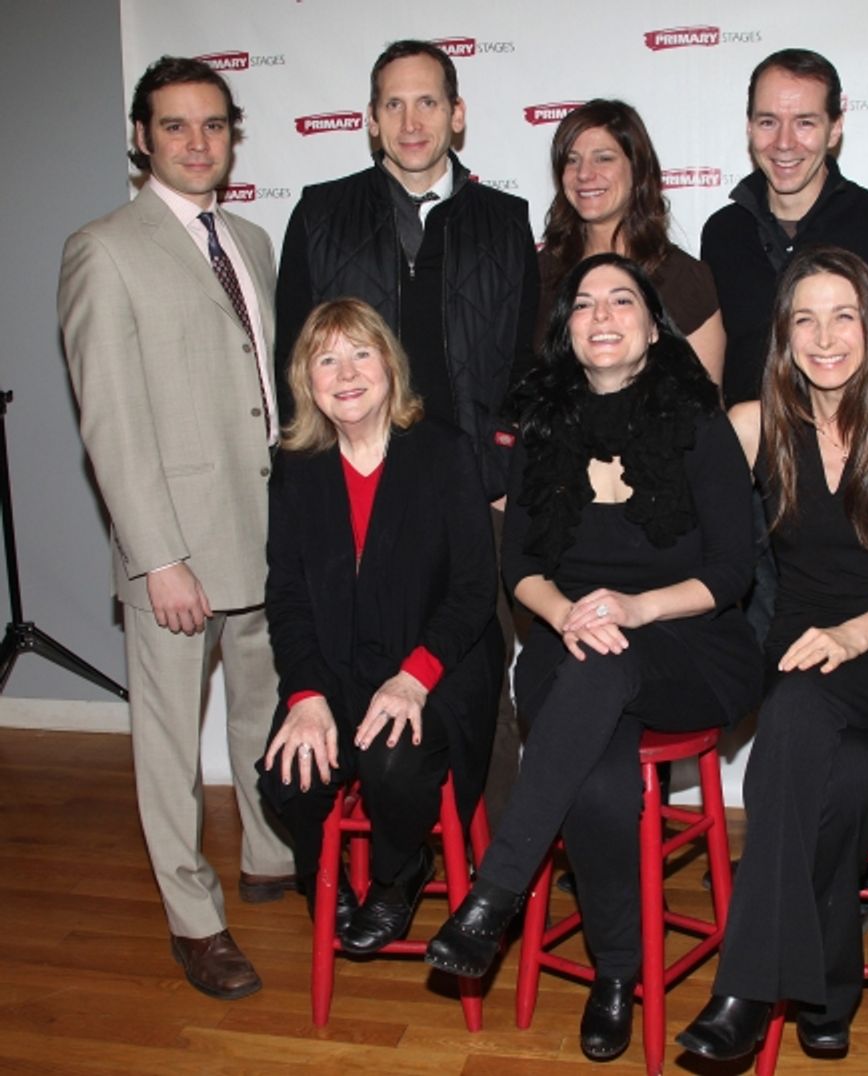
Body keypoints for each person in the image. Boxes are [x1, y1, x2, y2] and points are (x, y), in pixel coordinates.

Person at [425, 253, 761, 1062]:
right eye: (583, 303)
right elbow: (520, 567)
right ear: (566, 328)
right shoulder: (542, 426)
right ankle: (617, 973)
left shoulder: (699, 422)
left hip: (688, 641)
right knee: (600, 781)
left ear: (654, 326)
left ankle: (494, 894)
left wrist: (638, 608)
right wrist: (567, 615)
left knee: (607, 665)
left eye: (622, 301)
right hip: (569, 638)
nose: (601, 316)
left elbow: (732, 572)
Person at [676, 246, 868, 1061]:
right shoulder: (752, 424)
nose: (825, 337)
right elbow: (682, 519)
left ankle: (744, 988)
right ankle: (829, 989)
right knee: (845, 775)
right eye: (806, 319)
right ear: (784, 334)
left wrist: (852, 636)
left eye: (844, 317)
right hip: (798, 645)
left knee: (800, 707)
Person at [57, 56, 294, 1000]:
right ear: (141, 137)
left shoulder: (253, 240)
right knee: (168, 746)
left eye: (213, 124)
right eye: (175, 126)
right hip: (178, 550)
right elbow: (110, 423)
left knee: (263, 712)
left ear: (233, 135)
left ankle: (271, 855)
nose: (198, 143)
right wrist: (158, 557)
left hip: (266, 532)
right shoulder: (103, 249)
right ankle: (194, 921)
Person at [274, 38, 539, 827]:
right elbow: (296, 357)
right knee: (355, 661)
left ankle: (495, 863)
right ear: (370, 119)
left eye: (428, 101)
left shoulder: (504, 220)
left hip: (472, 492)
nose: (411, 119)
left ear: (457, 115)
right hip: (357, 482)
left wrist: (501, 469)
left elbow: (528, 364)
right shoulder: (321, 214)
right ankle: (394, 846)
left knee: (479, 673)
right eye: (394, 103)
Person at [258, 299, 502, 955]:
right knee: (289, 773)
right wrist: (305, 694)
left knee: (391, 759)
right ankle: (322, 878)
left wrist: (414, 677)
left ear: (390, 365)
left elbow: (475, 589)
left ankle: (399, 873)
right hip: (336, 664)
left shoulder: (444, 451)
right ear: (306, 381)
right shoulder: (296, 467)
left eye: (361, 353)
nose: (346, 373)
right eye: (326, 359)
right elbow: (286, 597)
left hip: (439, 664)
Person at [703, 48, 868, 406]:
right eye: (768, 122)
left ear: (835, 129)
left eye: (804, 122)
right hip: (747, 440)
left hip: (858, 441)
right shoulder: (722, 234)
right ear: (749, 127)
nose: (784, 143)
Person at [536, 99, 725, 385]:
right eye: (571, 160)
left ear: (637, 169)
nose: (584, 174)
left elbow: (708, 404)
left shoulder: (685, 280)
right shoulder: (538, 276)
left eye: (603, 158)